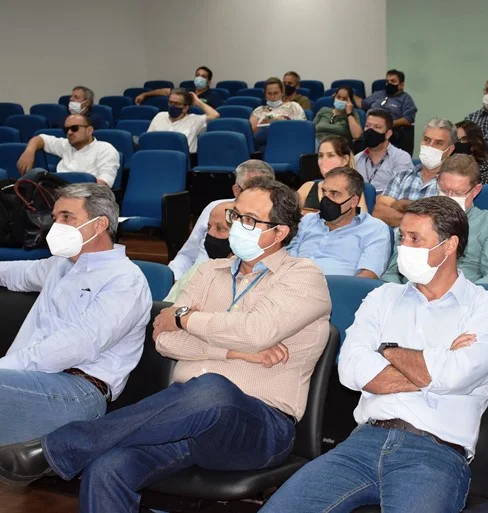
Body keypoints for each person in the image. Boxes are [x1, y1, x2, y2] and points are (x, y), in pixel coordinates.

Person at [0, 179, 333, 513]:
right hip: (180, 421)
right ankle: (69, 449)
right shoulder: (207, 272)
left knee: (212, 390)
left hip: (258, 425)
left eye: (249, 220)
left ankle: (60, 447)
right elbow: (166, 340)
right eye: (234, 214)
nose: (235, 225)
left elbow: (255, 331)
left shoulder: (303, 276)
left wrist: (185, 317)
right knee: (107, 468)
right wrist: (231, 352)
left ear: (279, 233)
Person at [261, 195, 488, 513]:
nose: (403, 247)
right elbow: (351, 371)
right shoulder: (382, 297)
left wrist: (385, 352)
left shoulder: (487, 308)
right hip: (362, 442)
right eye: (402, 237)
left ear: (449, 246)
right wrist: (437, 359)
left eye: (415, 239)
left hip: (434, 453)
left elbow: (455, 377)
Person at [0, 183, 151, 446]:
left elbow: (77, 345)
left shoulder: (126, 280)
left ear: (99, 224)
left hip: (77, 391)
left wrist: (6, 366)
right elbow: (18, 274)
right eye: (56, 217)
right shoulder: (61, 265)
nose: (55, 225)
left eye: (67, 217)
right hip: (30, 379)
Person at [383, 155, 488, 285]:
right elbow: (392, 272)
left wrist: (459, 295)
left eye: (457, 193)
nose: (449, 198)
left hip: (465, 298)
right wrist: (398, 293)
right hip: (411, 294)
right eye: (444, 190)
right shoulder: (419, 219)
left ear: (475, 191)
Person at [168, 160, 275, 280]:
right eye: (251, 191)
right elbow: (187, 256)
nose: (258, 198)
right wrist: (173, 279)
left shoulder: (274, 222)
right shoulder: (215, 208)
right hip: (194, 281)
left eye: (265, 191)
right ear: (236, 190)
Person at [288, 168, 391, 278]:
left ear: (353, 201)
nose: (326, 199)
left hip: (335, 291)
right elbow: (287, 258)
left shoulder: (375, 229)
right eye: (324, 192)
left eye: (334, 194)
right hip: (292, 284)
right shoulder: (307, 220)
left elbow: (368, 275)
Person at [373, 118, 456, 228]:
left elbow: (444, 226)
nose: (430, 146)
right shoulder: (401, 176)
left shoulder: (454, 183)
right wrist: (422, 221)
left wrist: (400, 205)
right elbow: (379, 212)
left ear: (450, 150)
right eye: (426, 140)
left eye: (438, 143)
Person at [16, 114, 120, 187]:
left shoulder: (105, 149)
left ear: (89, 130)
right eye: (66, 130)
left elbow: (103, 184)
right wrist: (29, 152)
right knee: (38, 173)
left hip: (86, 198)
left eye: (74, 128)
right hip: (57, 194)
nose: (69, 132)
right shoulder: (66, 145)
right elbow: (40, 139)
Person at [165, 200, 234, 303]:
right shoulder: (198, 271)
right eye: (209, 227)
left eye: (220, 229)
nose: (210, 234)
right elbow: (169, 310)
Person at [297, 136, 367, 214]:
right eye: (320, 156)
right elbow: (286, 213)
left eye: (330, 155)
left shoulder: (354, 189)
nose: (323, 161)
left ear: (345, 160)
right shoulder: (308, 187)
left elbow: (363, 222)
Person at [354, 109, 414, 194]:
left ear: (388, 134)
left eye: (377, 127)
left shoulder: (401, 158)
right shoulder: (356, 159)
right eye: (367, 126)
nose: (370, 130)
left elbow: (403, 192)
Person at [146, 88, 220, 153]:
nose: (172, 106)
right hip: (159, 157)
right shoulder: (160, 116)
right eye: (170, 102)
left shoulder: (194, 119)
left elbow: (215, 115)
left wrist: (197, 101)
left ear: (186, 108)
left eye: (177, 104)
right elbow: (148, 139)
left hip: (184, 161)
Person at [361, 69, 417, 148]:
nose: (389, 84)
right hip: (369, 128)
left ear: (401, 85)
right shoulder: (378, 94)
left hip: (390, 131)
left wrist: (387, 124)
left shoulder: (405, 99)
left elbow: (408, 119)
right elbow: (362, 104)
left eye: (393, 81)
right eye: (387, 81)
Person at [249, 77, 307, 150]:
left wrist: (285, 121)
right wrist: (262, 123)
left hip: (289, 141)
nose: (273, 97)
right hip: (265, 144)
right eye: (269, 94)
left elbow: (302, 128)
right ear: (265, 94)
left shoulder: (293, 106)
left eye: (276, 93)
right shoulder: (259, 110)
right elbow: (250, 133)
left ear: (282, 93)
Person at [136, 66, 224, 108]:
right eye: (197, 75)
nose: (199, 78)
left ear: (209, 81)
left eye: (203, 76)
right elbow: (166, 91)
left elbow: (217, 114)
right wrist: (144, 94)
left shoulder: (213, 96)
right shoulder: (186, 91)